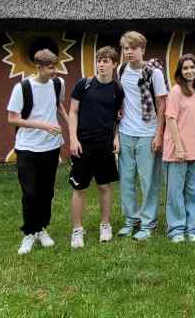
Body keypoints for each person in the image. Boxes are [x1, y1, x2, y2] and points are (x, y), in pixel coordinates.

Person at [7, 49, 68, 255]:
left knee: (46, 192)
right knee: (30, 193)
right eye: (51, 68)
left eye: (55, 66)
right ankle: (29, 233)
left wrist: (71, 126)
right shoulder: (22, 88)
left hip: (51, 147)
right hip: (27, 148)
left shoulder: (58, 83)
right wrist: (43, 125)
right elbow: (12, 119)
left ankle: (41, 228)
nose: (55, 71)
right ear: (38, 67)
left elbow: (58, 105)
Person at [67, 46, 124, 248]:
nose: (101, 64)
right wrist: (73, 139)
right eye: (99, 60)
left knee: (104, 186)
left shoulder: (117, 90)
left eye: (106, 61)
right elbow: (73, 112)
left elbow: (119, 116)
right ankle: (77, 229)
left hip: (105, 145)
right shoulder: (83, 85)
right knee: (79, 188)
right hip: (83, 144)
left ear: (114, 64)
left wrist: (116, 137)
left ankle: (105, 225)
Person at [117, 31, 168, 241]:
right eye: (125, 48)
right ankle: (131, 220)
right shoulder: (121, 70)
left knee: (148, 182)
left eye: (133, 48)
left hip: (148, 133)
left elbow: (162, 103)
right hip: (125, 132)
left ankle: (148, 223)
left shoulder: (154, 73)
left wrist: (159, 134)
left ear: (142, 50)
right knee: (126, 179)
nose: (129, 52)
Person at [164, 54, 195, 243]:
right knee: (175, 192)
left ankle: (192, 228)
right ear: (180, 72)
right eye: (185, 68)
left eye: (192, 67)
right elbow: (170, 119)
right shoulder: (176, 91)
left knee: (192, 191)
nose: (189, 71)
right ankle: (176, 229)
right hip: (177, 150)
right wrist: (179, 148)